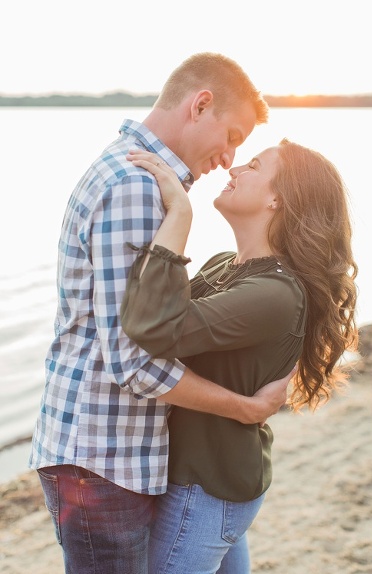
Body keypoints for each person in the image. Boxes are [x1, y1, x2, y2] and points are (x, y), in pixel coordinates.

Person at [29, 53, 291, 574]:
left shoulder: (141, 179)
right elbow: (133, 361)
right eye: (233, 135)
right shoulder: (136, 186)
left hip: (111, 456)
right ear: (201, 105)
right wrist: (243, 407)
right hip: (101, 460)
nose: (230, 157)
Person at [119, 140, 358, 573]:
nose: (234, 170)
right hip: (214, 476)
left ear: (276, 198)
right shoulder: (224, 265)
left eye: (253, 165)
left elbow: (153, 329)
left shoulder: (273, 294)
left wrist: (180, 215)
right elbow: (155, 316)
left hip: (206, 486)